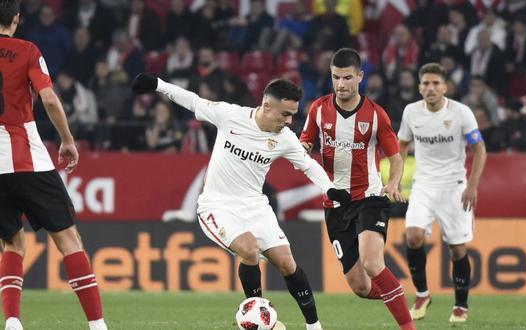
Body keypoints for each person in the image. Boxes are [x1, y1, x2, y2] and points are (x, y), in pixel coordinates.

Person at [132, 73, 352, 330]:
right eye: (285, 114)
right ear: (267, 105)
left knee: (287, 262)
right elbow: (193, 101)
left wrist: (330, 189)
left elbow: (309, 166)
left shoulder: (285, 138)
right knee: (249, 249)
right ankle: (257, 320)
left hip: (255, 206)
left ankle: (314, 327)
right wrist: (157, 85)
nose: (289, 121)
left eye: (292, 114)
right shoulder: (230, 116)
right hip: (217, 205)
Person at [0, 1, 107, 330]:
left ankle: (14, 322)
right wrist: (68, 139)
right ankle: (97, 325)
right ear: (16, 19)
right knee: (68, 239)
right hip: (27, 157)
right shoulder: (28, 49)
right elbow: (48, 98)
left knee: (11, 242)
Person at [299, 48, 415, 330]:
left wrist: (392, 182)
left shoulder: (375, 115)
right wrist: (298, 150)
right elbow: (306, 143)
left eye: (347, 78)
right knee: (361, 287)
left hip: (369, 199)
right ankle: (395, 294)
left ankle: (409, 327)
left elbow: (395, 156)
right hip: (335, 206)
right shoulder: (318, 109)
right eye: (336, 77)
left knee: (373, 263)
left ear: (360, 77)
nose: (341, 84)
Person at [398, 63, 487, 323]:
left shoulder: (461, 113)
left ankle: (461, 305)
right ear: (419, 87)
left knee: (457, 249)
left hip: (454, 187)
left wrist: (472, 185)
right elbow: (401, 144)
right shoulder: (411, 112)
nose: (430, 88)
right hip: (423, 186)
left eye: (436, 83)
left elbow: (479, 150)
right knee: (413, 237)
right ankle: (423, 294)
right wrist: (395, 178)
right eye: (425, 83)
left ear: (445, 87)